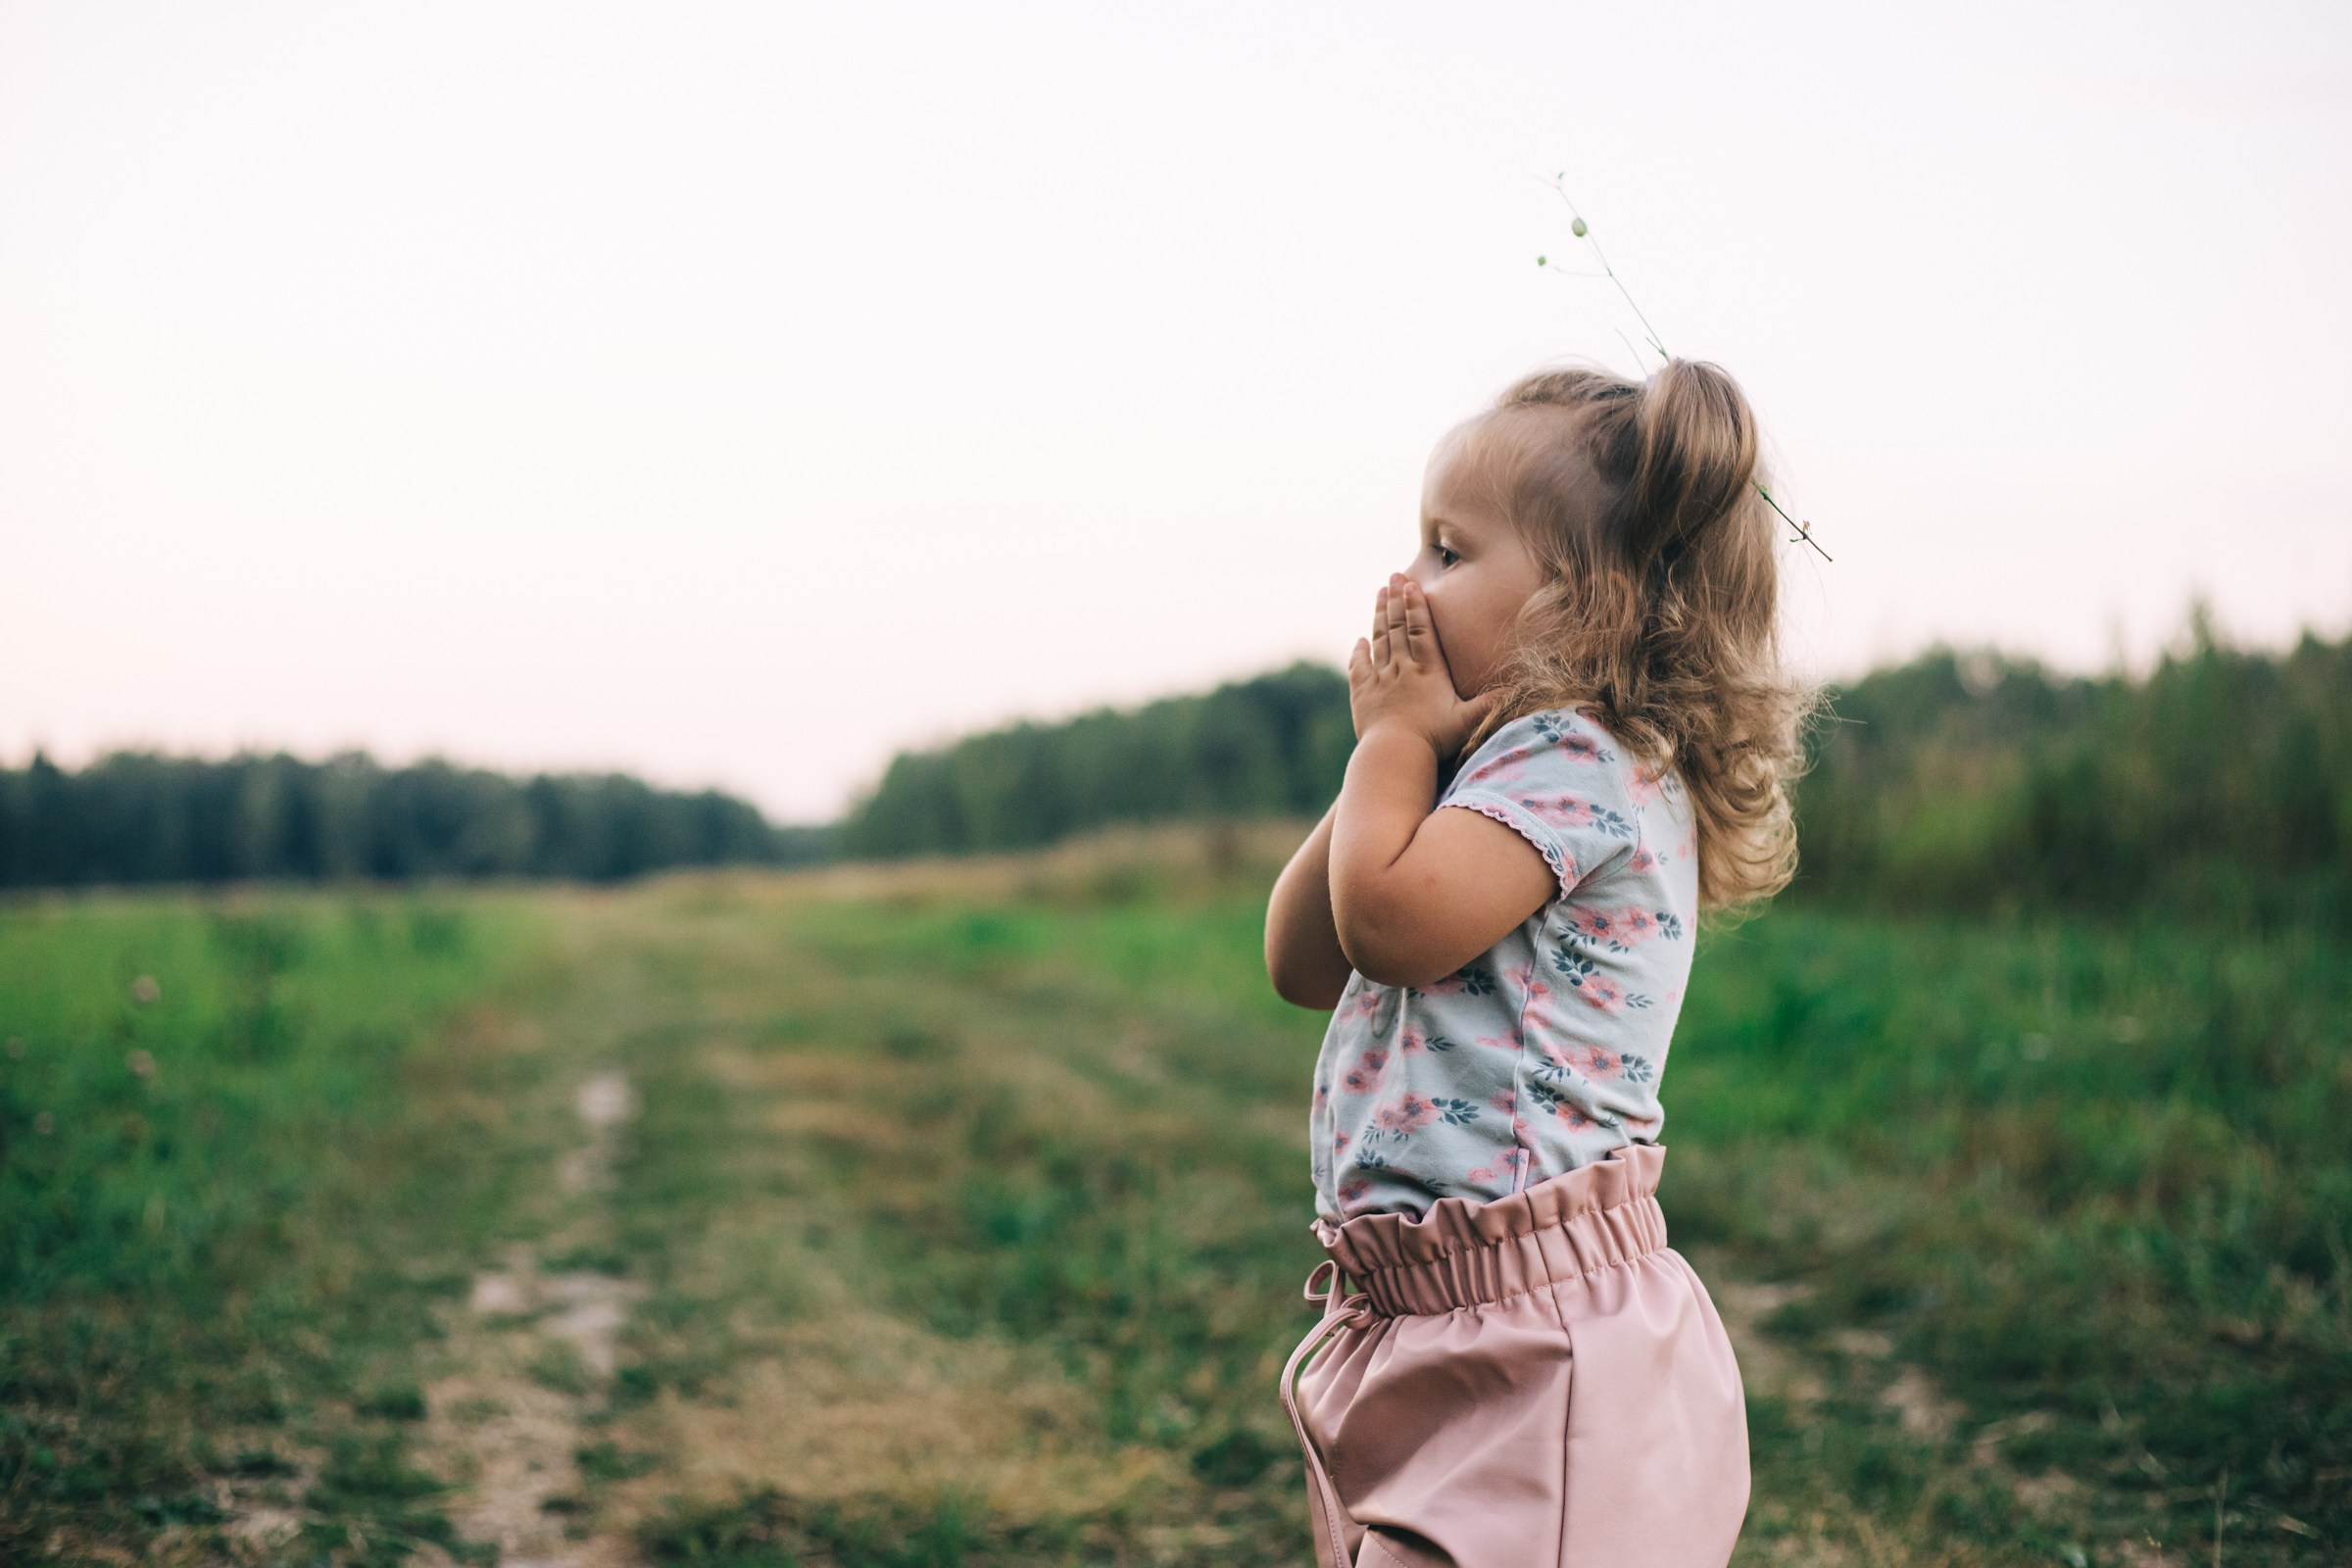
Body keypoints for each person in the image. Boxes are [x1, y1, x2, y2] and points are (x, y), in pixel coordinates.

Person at [1262, 359, 1813, 1568]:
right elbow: (1303, 955)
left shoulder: (1584, 758)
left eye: (1449, 553)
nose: (1406, 584)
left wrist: (1398, 739)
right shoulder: (1489, 764)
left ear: (1592, 603)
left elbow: (1389, 927)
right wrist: (1399, 754)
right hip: (1425, 1307)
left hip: (1534, 1327)